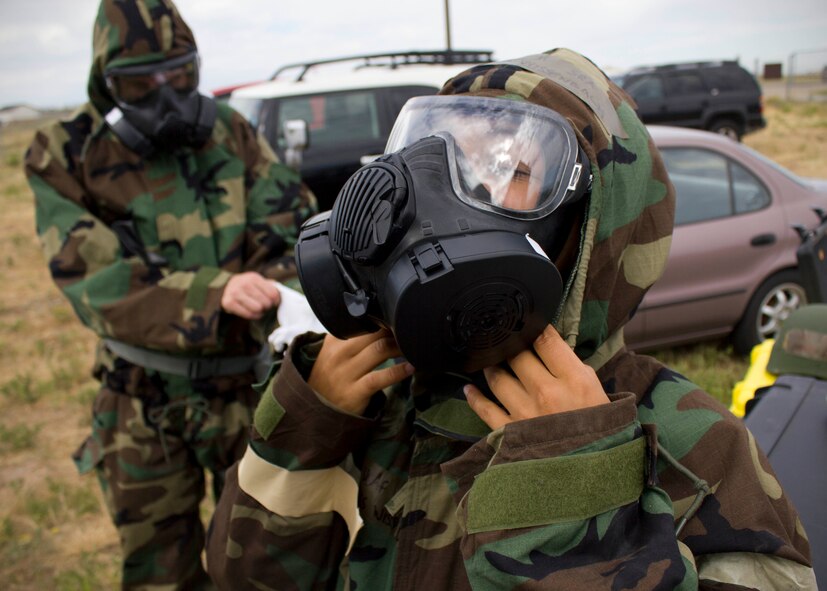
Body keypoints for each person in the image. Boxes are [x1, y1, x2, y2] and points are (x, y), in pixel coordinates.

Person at [205, 48, 816, 590]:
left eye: (509, 169)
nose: (443, 192)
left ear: (589, 227)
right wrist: (305, 425)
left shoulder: (696, 453)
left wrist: (575, 499)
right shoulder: (373, 397)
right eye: (440, 156)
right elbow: (242, 576)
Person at [23, 0, 316, 588]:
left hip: (251, 387)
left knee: (272, 558)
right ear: (106, 84)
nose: (165, 95)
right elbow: (96, 280)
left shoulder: (231, 131)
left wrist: (272, 286)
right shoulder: (65, 151)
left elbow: (293, 229)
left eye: (179, 76)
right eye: (140, 83)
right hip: (143, 404)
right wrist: (215, 295)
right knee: (161, 570)